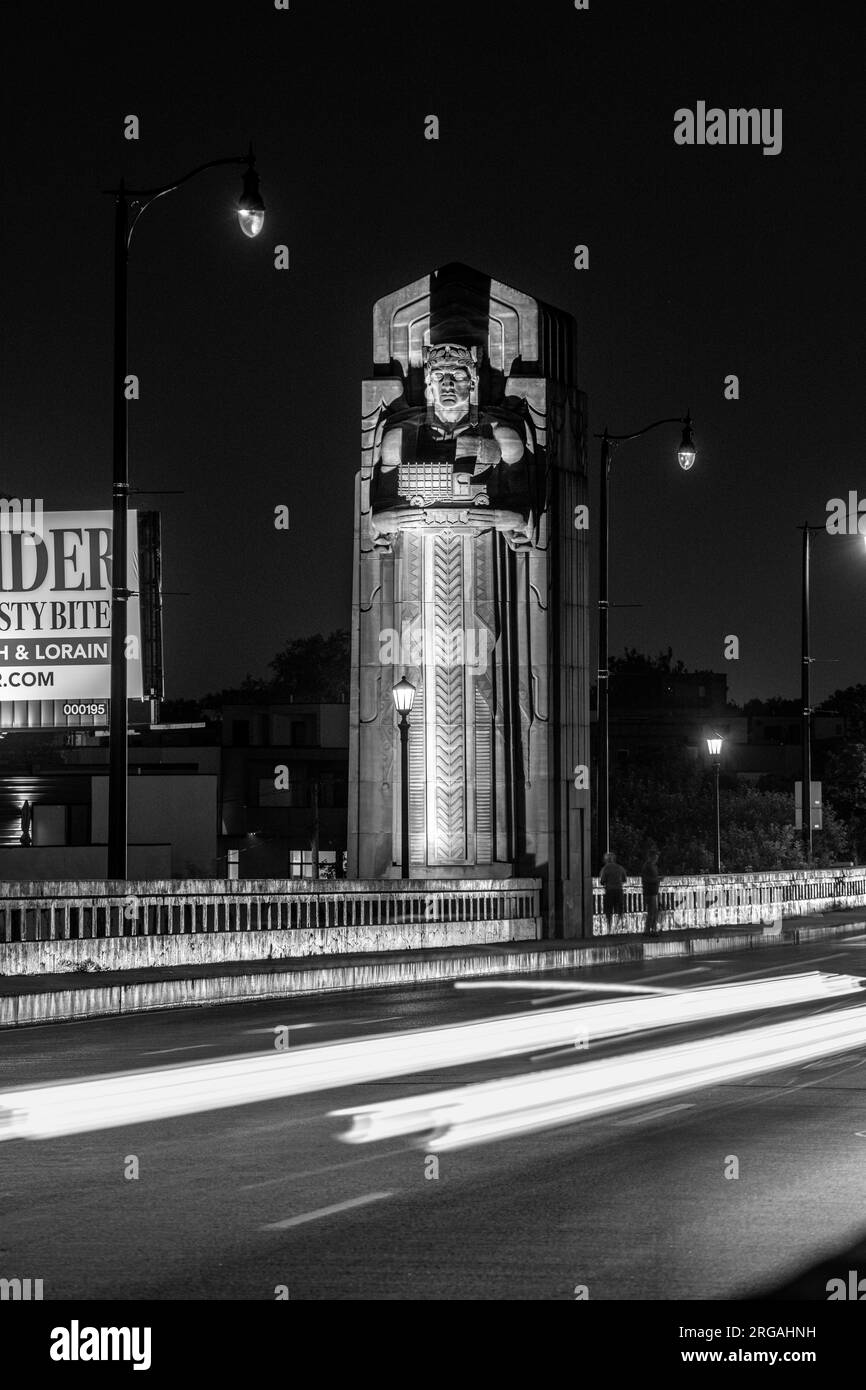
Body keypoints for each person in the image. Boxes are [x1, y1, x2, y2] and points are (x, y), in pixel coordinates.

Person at [599, 850, 627, 932]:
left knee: (609, 910)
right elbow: (624, 880)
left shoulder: (605, 869)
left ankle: (609, 929)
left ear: (606, 860)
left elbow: (602, 881)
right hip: (619, 890)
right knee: (619, 909)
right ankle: (618, 928)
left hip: (610, 890)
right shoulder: (620, 868)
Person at [641, 849, 662, 935]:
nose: (656, 859)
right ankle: (650, 930)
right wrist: (657, 879)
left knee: (653, 911)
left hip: (653, 891)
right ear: (651, 857)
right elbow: (646, 879)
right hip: (650, 891)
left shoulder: (652, 866)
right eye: (655, 857)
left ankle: (650, 930)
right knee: (652, 911)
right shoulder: (648, 866)